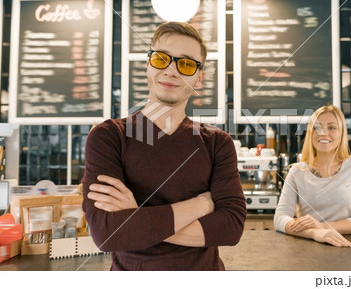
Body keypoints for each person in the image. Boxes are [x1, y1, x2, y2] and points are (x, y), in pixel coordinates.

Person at [81, 21, 247, 270]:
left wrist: (138, 217)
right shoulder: (108, 136)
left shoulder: (217, 143)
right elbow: (107, 234)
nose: (171, 71)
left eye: (187, 64)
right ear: (148, 64)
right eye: (162, 59)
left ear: (199, 78)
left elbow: (230, 228)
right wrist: (201, 205)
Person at [274, 105, 351, 247]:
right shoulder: (297, 171)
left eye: (332, 128)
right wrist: (314, 233)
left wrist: (322, 227)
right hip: (306, 249)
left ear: (341, 133)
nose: (323, 133)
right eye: (317, 128)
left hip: (347, 246)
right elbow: (280, 218)